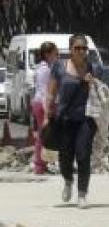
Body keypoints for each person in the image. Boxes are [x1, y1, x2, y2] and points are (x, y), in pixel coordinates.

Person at [45, 34, 100, 208]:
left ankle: (82, 195)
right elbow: (51, 93)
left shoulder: (92, 67)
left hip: (85, 119)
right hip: (64, 119)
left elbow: (100, 93)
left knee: (83, 156)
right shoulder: (59, 67)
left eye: (84, 48)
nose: (81, 51)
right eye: (77, 48)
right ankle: (68, 181)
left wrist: (93, 83)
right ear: (70, 50)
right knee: (65, 157)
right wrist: (47, 115)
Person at [31, 41, 59, 174]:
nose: (57, 55)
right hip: (43, 105)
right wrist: (47, 112)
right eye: (55, 53)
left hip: (44, 104)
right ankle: (39, 165)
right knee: (44, 136)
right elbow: (44, 92)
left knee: (47, 135)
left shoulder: (46, 68)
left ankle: (43, 163)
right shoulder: (45, 70)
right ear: (47, 54)